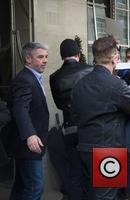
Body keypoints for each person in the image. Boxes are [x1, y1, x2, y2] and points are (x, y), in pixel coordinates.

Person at [71, 35, 130, 200]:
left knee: (92, 194)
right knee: (107, 195)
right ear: (115, 58)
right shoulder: (116, 84)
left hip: (84, 146)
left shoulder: (80, 83)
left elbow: (75, 115)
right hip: (108, 149)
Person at [49, 38, 94, 200]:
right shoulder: (91, 70)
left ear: (62, 56)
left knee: (74, 171)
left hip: (70, 128)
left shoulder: (54, 77)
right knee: (93, 171)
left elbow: (59, 104)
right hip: (90, 127)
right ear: (78, 53)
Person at [9, 42, 49, 200]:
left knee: (21, 186)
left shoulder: (33, 77)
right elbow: (20, 109)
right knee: (35, 188)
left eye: (46, 57)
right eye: (40, 57)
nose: (45, 60)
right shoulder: (25, 79)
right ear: (28, 59)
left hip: (28, 144)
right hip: (28, 144)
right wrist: (30, 135)